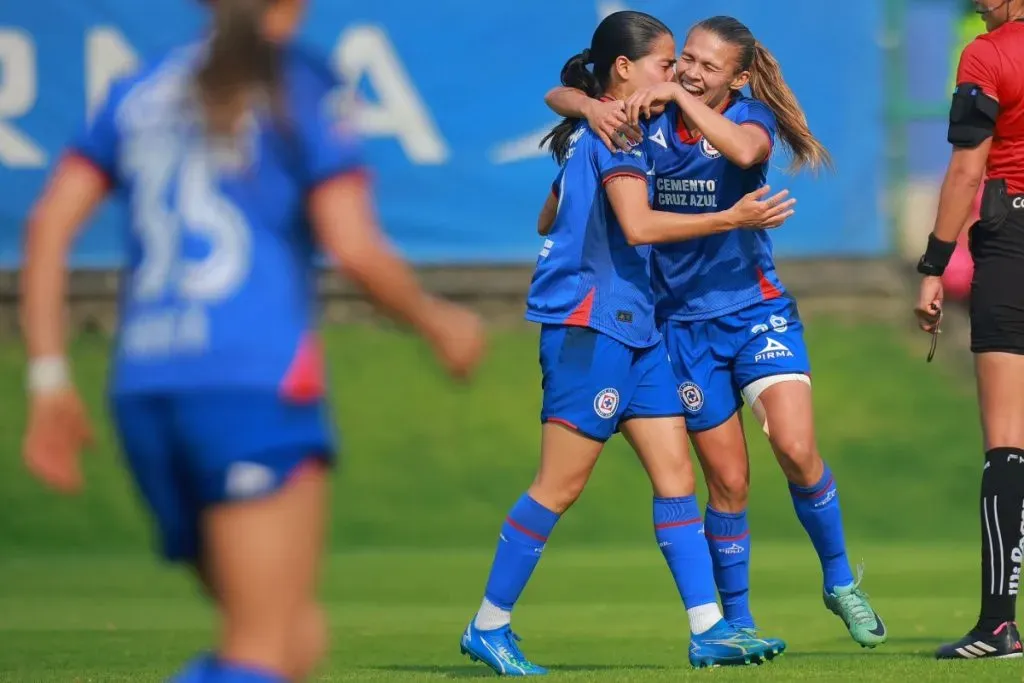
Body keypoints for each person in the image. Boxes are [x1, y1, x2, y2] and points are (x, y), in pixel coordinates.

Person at [19, 1, 485, 681]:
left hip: (147, 386)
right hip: (253, 384)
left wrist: (50, 378)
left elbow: (48, 225)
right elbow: (352, 244)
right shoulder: (299, 82)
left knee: (295, 637)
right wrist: (437, 318)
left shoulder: (139, 89)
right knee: (262, 649)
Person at [459, 10, 797, 677]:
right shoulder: (617, 131)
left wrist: (581, 134)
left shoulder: (610, 123)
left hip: (639, 330)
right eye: (666, 64)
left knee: (676, 476)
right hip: (591, 325)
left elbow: (546, 214)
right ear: (625, 69)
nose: (676, 77)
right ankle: (488, 624)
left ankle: (709, 631)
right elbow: (637, 227)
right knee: (559, 486)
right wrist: (732, 216)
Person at [544, 15, 888, 650]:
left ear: (739, 77)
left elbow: (747, 154)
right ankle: (738, 622)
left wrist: (676, 96)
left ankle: (839, 580)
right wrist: (586, 105)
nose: (692, 73)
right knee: (727, 481)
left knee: (794, 446)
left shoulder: (747, 118)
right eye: (687, 60)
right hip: (678, 327)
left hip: (756, 313)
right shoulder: (644, 119)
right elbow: (559, 98)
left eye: (708, 66)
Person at [915, 0, 1024, 661]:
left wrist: (933, 263)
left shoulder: (987, 54)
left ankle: (997, 625)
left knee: (1006, 444)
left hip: (1011, 241)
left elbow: (966, 168)